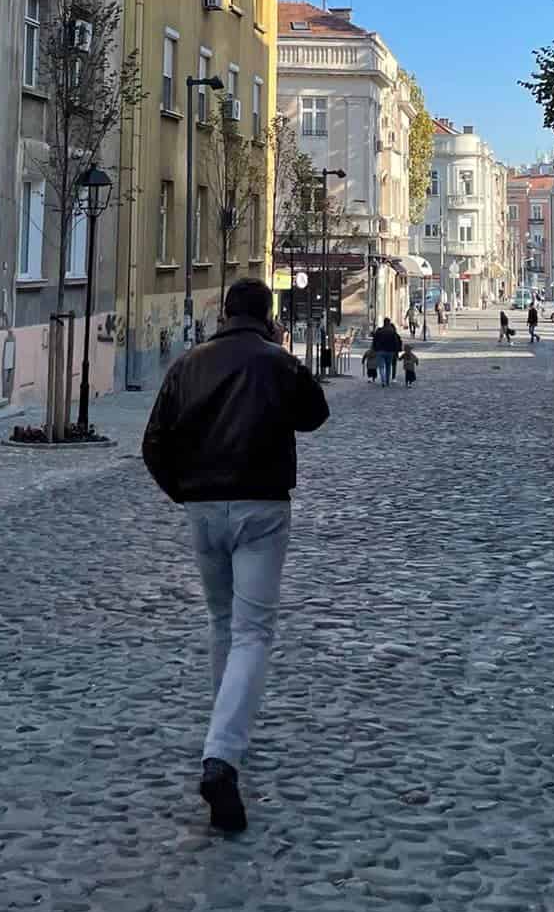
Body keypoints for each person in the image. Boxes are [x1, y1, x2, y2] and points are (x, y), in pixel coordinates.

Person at [141, 277, 329, 835]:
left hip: (203, 507)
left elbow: (153, 442)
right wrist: (284, 353)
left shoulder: (187, 364)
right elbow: (315, 414)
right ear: (267, 316)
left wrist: (185, 491)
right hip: (261, 506)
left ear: (224, 313)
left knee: (222, 622)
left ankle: (226, 728)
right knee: (252, 632)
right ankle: (222, 754)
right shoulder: (277, 362)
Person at [371, 315, 403, 387]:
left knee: (381, 367)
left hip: (380, 351)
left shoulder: (379, 330)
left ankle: (383, 381)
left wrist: (374, 349)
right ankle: (387, 382)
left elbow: (374, 340)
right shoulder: (393, 332)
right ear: (389, 323)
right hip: (390, 352)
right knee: (388, 367)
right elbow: (396, 342)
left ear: (384, 323)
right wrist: (396, 351)